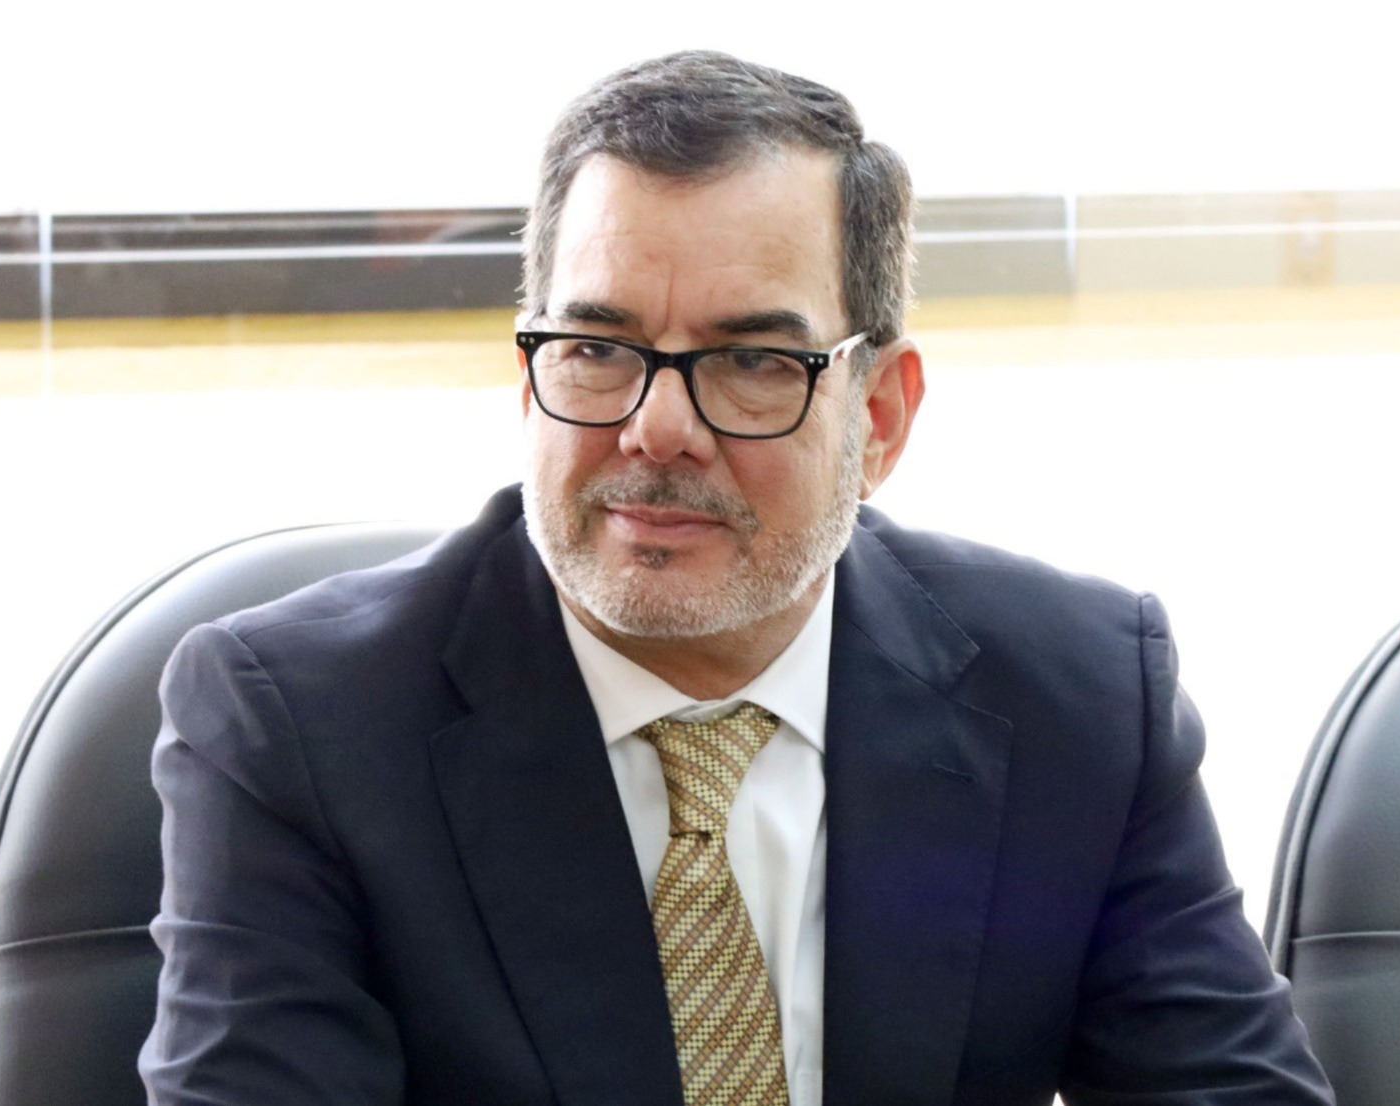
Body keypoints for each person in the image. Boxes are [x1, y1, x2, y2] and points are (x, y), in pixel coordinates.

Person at [140, 51, 1333, 1106]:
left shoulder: (1080, 693)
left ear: (879, 414)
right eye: (596, 348)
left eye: (752, 361)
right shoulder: (300, 728)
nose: (656, 428)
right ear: (527, 378)